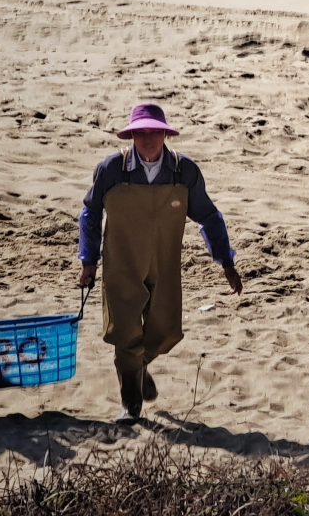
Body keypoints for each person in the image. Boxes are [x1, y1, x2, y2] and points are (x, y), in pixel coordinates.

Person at [78, 104, 242, 422]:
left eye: (154, 132)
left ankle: (138, 369)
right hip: (121, 265)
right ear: (132, 136)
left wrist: (226, 262)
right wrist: (89, 260)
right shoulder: (112, 169)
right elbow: (91, 212)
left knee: (165, 333)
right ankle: (131, 405)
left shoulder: (184, 171)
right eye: (141, 132)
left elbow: (208, 217)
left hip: (164, 265)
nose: (148, 139)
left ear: (165, 134)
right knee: (125, 335)